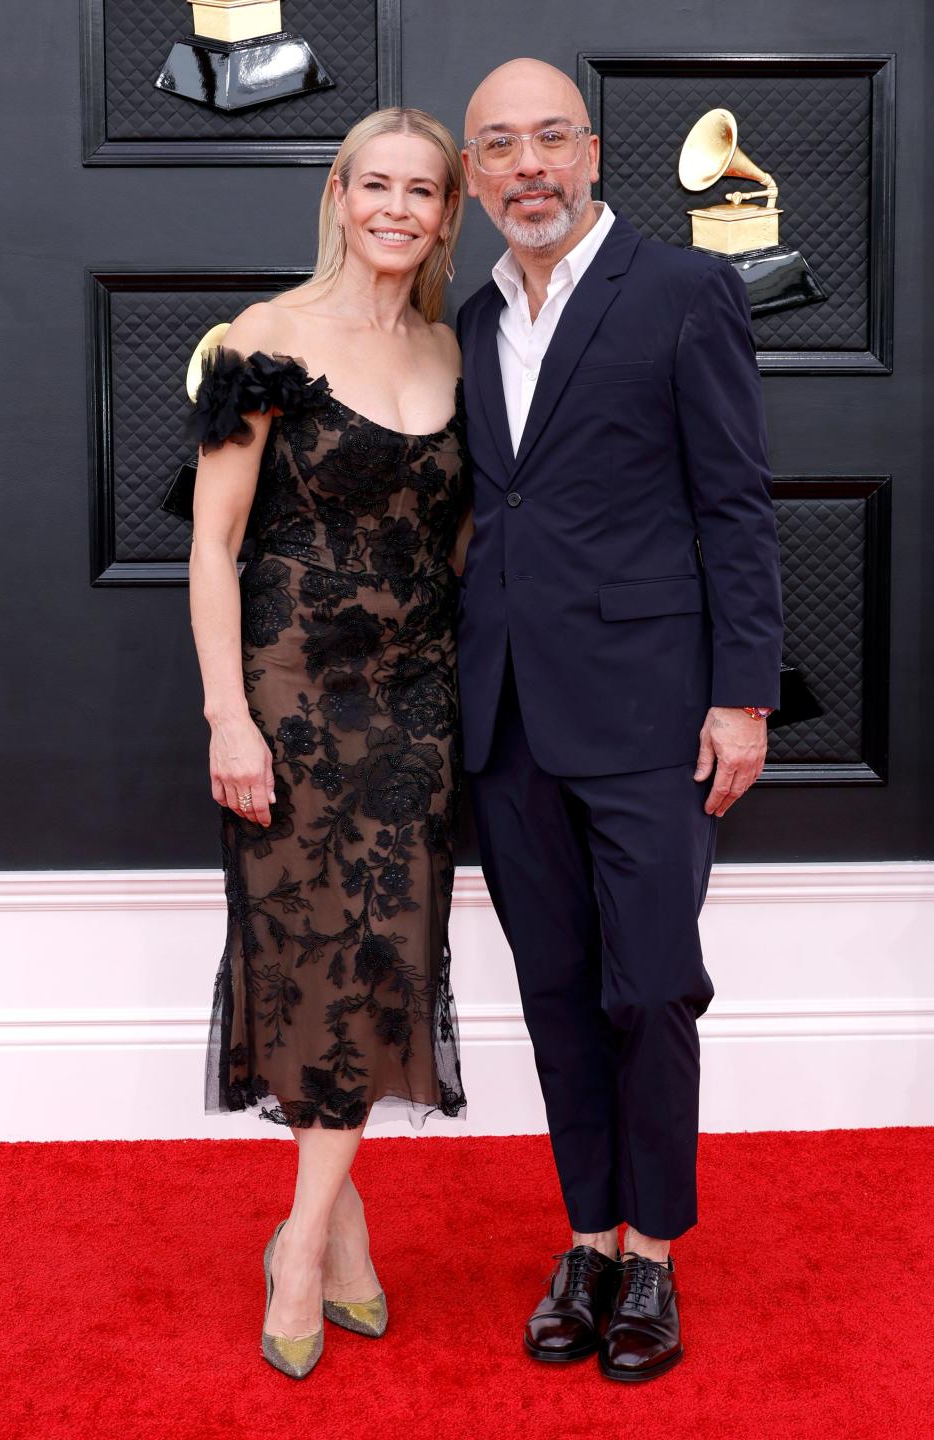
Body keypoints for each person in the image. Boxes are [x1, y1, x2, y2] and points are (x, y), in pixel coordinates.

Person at [455, 59, 783, 1382]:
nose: (527, 166)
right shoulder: (471, 319)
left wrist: (744, 694)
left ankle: (654, 1257)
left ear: (589, 150)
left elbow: (737, 504)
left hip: (653, 712)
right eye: (498, 148)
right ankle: (586, 1238)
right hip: (510, 718)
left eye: (548, 139)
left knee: (649, 990)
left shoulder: (686, 289)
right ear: (475, 178)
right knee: (552, 994)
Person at [184, 107, 470, 1380]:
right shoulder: (266, 339)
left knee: (383, 955)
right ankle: (316, 1248)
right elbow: (213, 542)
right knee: (305, 960)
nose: (398, 208)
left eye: (424, 190)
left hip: (419, 697)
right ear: (340, 194)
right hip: (290, 690)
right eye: (378, 185)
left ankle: (313, 1231)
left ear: (446, 212)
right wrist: (227, 715)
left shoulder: (461, 351)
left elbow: (465, 545)